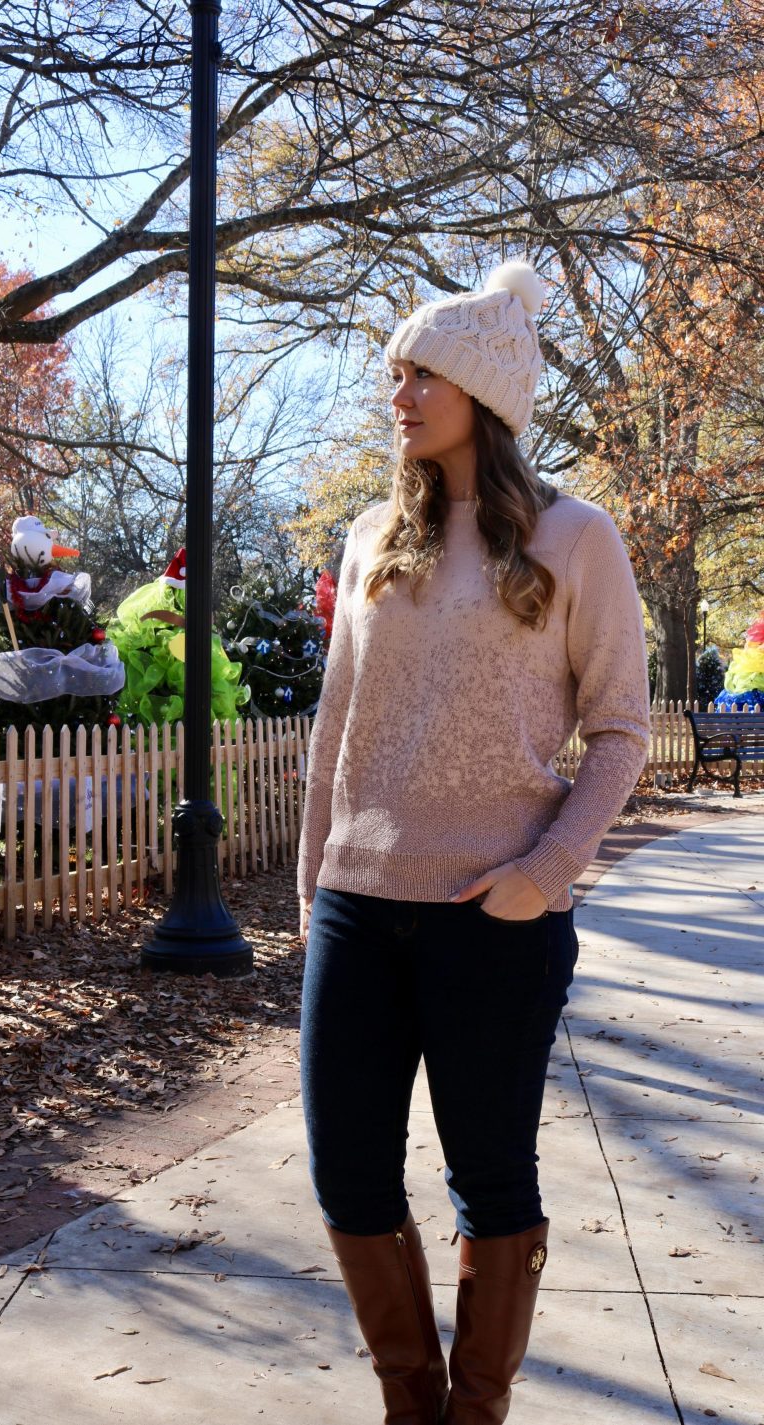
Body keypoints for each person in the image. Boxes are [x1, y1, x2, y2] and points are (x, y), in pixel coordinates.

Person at [296, 260, 650, 1424]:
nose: (394, 393)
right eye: (392, 373)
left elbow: (617, 735)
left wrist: (542, 878)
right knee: (345, 1174)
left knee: (488, 1179)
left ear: (482, 389)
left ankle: (472, 1411)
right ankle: (411, 1398)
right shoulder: (367, 543)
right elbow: (333, 734)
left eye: (418, 373)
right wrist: (313, 893)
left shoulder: (574, 537)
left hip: (492, 917)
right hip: (358, 903)